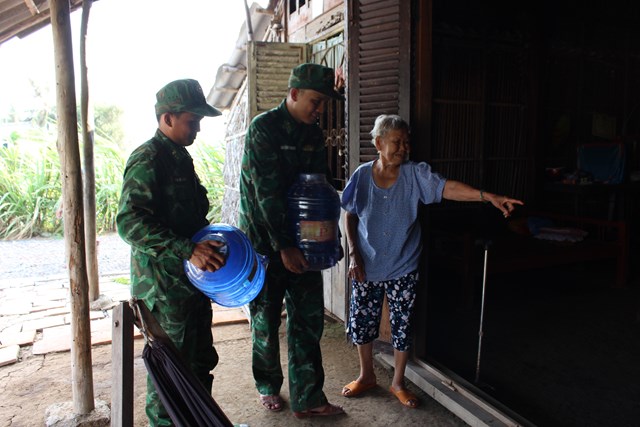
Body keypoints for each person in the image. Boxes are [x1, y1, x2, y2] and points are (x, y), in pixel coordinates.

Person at [340, 114, 523, 408]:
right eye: (397, 142)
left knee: (402, 325)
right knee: (362, 322)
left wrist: (488, 196)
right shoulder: (362, 176)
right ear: (378, 143)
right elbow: (349, 213)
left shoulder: (415, 175)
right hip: (367, 264)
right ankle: (367, 376)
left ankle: (398, 383)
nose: (404, 148)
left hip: (403, 264)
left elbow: (447, 188)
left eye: (406, 142)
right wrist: (353, 253)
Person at [238, 63, 346, 419]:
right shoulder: (263, 129)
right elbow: (265, 194)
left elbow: (319, 190)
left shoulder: (313, 135)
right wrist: (284, 246)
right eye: (314, 101)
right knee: (266, 321)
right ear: (294, 93)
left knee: (308, 320)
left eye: (323, 104)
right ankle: (268, 385)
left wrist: (330, 236)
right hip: (266, 246)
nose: (318, 110)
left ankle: (308, 397)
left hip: (305, 246)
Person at [116, 79, 226, 426]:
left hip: (190, 284)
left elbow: (188, 216)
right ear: (167, 118)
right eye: (192, 121)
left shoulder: (180, 158)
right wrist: (187, 249)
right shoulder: (149, 159)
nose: (196, 128)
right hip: (163, 290)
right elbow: (129, 223)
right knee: (170, 372)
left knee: (200, 363)